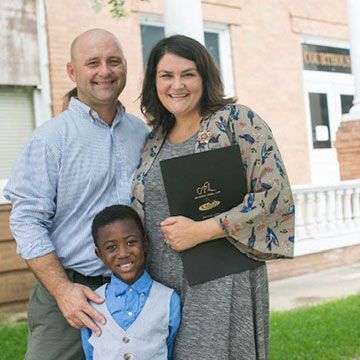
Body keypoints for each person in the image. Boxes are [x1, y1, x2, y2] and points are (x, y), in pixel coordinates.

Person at [132, 34, 295, 360]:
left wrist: (200, 231)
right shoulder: (154, 140)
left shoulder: (237, 122)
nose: (177, 85)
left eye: (188, 74)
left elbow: (274, 196)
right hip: (164, 288)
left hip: (221, 282)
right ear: (154, 82)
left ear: (205, 78)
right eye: (166, 75)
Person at [3, 29, 148, 360]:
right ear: (72, 71)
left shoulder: (142, 134)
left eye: (113, 61)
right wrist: (63, 291)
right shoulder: (51, 139)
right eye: (92, 62)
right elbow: (26, 221)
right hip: (68, 292)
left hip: (131, 289)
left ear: (125, 67)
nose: (105, 71)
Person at [81, 205, 181, 360]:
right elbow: (89, 353)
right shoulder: (91, 304)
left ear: (145, 243)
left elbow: (169, 348)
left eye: (131, 242)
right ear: (99, 254)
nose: (123, 253)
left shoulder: (169, 300)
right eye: (111, 247)